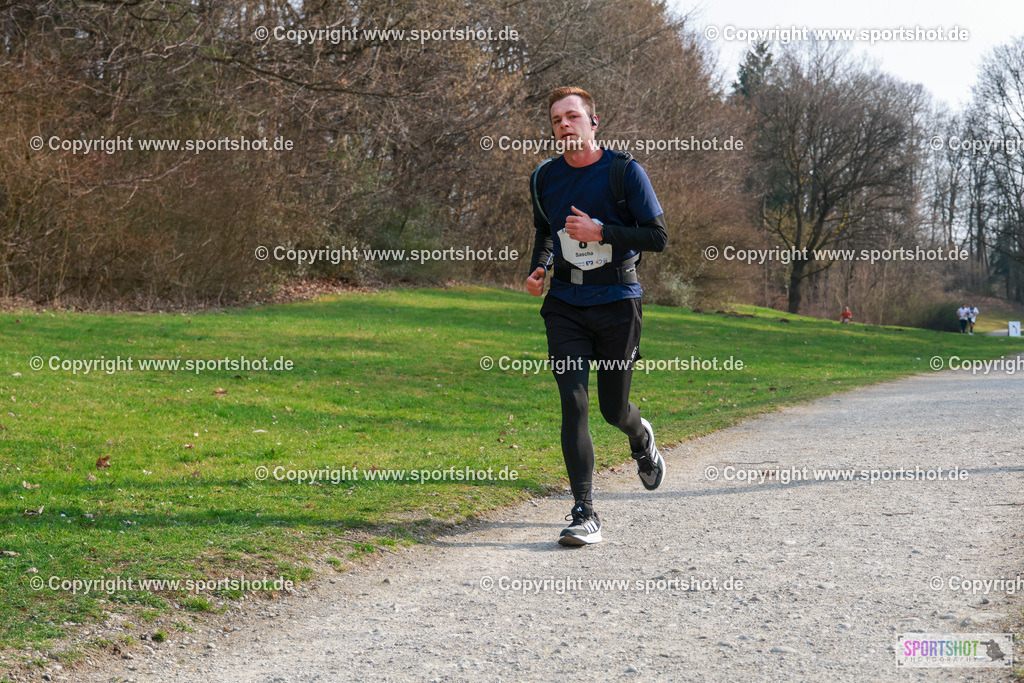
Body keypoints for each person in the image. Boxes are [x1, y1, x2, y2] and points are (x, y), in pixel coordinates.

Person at [526, 86, 668, 546]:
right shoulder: (543, 178)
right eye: (555, 120)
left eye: (572, 116)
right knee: (574, 402)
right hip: (566, 304)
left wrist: (601, 230)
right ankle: (585, 511)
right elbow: (545, 232)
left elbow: (658, 236)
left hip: (617, 301)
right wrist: (539, 267)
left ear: (593, 122)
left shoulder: (624, 172)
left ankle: (640, 436)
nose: (563, 125)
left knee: (612, 410)